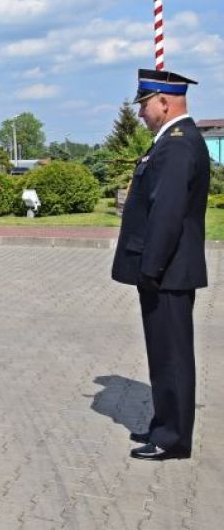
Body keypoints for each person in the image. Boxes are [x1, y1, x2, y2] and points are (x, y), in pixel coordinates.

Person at [112, 68, 211, 461]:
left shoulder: (177, 145)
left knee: (171, 356)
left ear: (164, 102)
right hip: (165, 270)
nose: (140, 113)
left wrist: (149, 270)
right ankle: (164, 424)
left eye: (144, 104)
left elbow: (166, 215)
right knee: (163, 354)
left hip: (166, 272)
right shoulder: (171, 142)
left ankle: (173, 439)